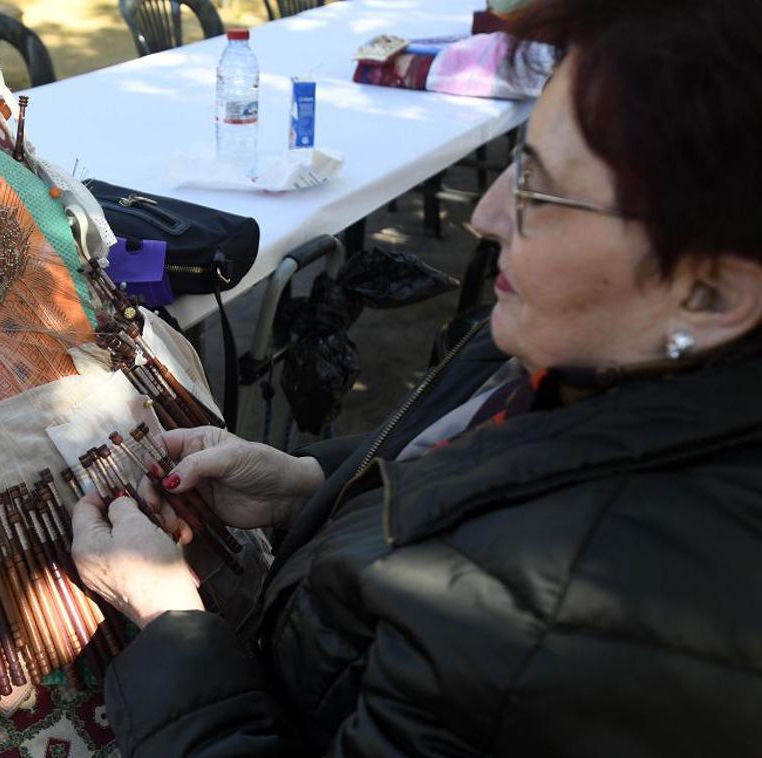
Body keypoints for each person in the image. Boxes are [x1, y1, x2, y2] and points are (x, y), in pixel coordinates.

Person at [69, 0, 762, 755]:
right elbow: (478, 462)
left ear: (713, 294)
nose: (485, 217)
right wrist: (308, 484)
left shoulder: (569, 619)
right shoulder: (582, 349)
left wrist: (171, 624)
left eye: (538, 192)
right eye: (515, 162)